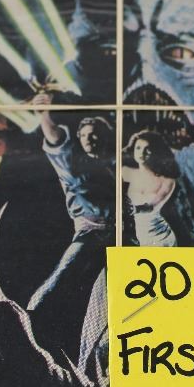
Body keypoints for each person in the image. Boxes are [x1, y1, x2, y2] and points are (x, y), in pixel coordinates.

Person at [27, 91, 115, 313]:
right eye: (84, 135)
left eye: (94, 135)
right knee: (63, 276)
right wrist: (44, 115)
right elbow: (56, 140)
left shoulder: (118, 166)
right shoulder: (71, 163)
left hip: (121, 234)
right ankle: (31, 314)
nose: (88, 139)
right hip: (90, 231)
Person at [122, 130, 179, 247]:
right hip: (137, 237)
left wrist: (132, 209)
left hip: (161, 238)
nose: (142, 153)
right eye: (138, 148)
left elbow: (151, 206)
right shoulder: (125, 172)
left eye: (147, 149)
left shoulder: (167, 181)